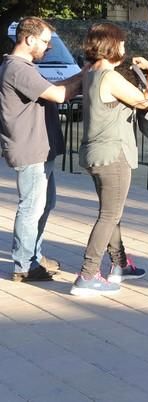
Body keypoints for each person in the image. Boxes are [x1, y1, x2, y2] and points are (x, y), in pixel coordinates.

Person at [70, 23, 148, 296]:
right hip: (113, 155)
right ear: (111, 45)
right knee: (109, 214)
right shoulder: (109, 75)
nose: (124, 48)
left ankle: (120, 264)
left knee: (111, 212)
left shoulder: (91, 73)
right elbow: (146, 102)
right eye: (121, 43)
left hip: (94, 153)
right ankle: (87, 275)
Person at [0, 17, 83, 282]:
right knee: (32, 207)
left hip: (38, 148)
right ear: (29, 39)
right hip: (30, 149)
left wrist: (82, 74)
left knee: (45, 203)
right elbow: (58, 95)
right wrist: (86, 73)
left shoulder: (24, 67)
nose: (48, 48)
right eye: (45, 42)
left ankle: (33, 257)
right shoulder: (18, 68)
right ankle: (24, 265)